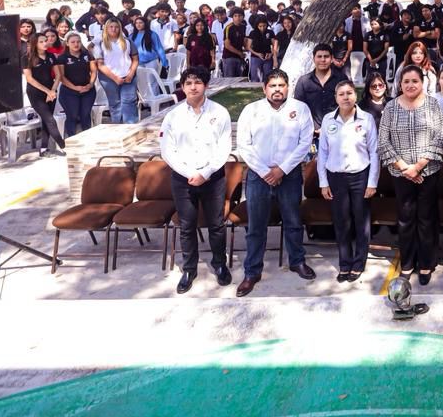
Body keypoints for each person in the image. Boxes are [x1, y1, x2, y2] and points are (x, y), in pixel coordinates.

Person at [234, 69, 317, 296]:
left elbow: (304, 142)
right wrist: (264, 171)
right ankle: (252, 271)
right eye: (273, 86)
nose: (277, 90)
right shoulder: (251, 111)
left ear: (287, 88)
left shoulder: (300, 110)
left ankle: (297, 261)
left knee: (292, 221)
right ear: (264, 89)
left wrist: (281, 170)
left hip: (289, 175)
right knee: (256, 226)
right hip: (257, 176)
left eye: (281, 85)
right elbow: (244, 144)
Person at [159, 66, 233, 294]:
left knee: (216, 225)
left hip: (213, 177)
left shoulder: (220, 113)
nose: (193, 87)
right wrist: (188, 172)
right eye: (188, 83)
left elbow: (225, 148)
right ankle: (189, 269)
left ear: (206, 85)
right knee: (187, 226)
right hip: (184, 179)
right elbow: (167, 150)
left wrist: (206, 172)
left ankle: (220, 264)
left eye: (198, 82)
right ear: (182, 87)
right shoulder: (173, 116)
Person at [378, 64, 443, 285]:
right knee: (406, 220)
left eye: (414, 81)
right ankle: (407, 263)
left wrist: (418, 166)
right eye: (406, 81)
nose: (410, 85)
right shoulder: (390, 107)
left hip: (428, 172)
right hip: (401, 174)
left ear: (422, 83)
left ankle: (426, 264)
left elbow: (440, 138)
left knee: (426, 220)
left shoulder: (433, 105)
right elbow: (383, 141)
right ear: (400, 84)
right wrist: (405, 168)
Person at [318, 78, 380, 283]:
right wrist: (323, 182)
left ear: (355, 95)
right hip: (336, 178)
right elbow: (323, 153)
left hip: (360, 177)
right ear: (336, 97)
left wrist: (372, 182)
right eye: (341, 94)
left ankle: (359, 262)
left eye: (349, 93)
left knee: (361, 221)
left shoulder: (366, 119)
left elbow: (374, 152)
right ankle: (345, 263)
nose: (346, 97)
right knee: (341, 222)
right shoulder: (328, 120)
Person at [23, 32, 66, 155]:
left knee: (46, 121)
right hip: (36, 93)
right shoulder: (27, 58)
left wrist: (52, 90)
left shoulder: (51, 56)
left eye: (45, 40)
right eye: (41, 41)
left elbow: (58, 75)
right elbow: (30, 79)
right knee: (50, 120)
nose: (45, 43)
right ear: (35, 44)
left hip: (51, 91)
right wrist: (47, 91)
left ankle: (43, 148)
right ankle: (63, 146)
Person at [293, 43, 351, 128]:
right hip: (311, 131)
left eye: (326, 56)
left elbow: (347, 104)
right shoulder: (304, 81)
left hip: (337, 129)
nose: (323, 60)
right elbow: (299, 108)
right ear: (313, 59)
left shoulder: (341, 79)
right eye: (319, 56)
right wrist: (313, 127)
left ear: (331, 59)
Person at [95, 18, 139, 123]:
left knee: (129, 102)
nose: (114, 29)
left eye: (116, 27)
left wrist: (131, 73)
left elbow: (135, 59)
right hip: (109, 78)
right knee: (115, 104)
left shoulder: (127, 41)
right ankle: (117, 127)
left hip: (128, 76)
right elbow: (100, 65)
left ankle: (130, 126)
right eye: (111, 27)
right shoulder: (100, 43)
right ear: (106, 28)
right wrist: (115, 78)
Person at [56, 31, 98, 137]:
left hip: (87, 90)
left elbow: (93, 71)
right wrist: (75, 88)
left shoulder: (87, 55)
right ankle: (71, 139)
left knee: (85, 115)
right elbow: (61, 77)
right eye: (73, 42)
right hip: (69, 92)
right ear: (67, 43)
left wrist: (91, 84)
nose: (76, 44)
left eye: (78, 42)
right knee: (72, 116)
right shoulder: (62, 57)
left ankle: (87, 138)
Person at [245, 16, 275, 83]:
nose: (262, 28)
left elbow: (275, 45)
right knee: (255, 78)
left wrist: (271, 54)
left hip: (267, 58)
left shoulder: (270, 32)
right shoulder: (253, 33)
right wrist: (257, 54)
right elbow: (248, 47)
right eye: (260, 26)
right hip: (256, 57)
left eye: (264, 26)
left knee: (268, 77)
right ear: (257, 25)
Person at [221, 9, 248, 77]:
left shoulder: (243, 27)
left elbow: (244, 43)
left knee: (240, 79)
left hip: (240, 57)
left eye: (240, 16)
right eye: (235, 16)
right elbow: (227, 45)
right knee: (229, 80)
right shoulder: (229, 28)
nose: (238, 18)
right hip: (229, 57)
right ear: (232, 17)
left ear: (243, 17)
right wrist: (239, 53)